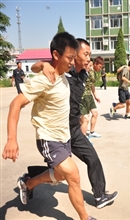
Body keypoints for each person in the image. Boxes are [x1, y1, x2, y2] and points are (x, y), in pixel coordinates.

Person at [2, 32, 96, 220]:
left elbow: (39, 65)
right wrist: (12, 140)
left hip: (64, 137)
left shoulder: (63, 72)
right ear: (56, 55)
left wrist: (42, 64)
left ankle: (28, 184)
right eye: (69, 57)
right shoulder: (44, 80)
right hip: (48, 138)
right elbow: (16, 104)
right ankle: (85, 218)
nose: (72, 62)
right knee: (74, 176)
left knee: (60, 176)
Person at [31, 38, 118, 209]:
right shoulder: (63, 70)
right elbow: (35, 68)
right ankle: (30, 180)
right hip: (56, 132)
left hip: (74, 129)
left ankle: (99, 195)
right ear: (74, 54)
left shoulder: (84, 73)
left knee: (92, 158)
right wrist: (43, 65)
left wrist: (79, 114)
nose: (88, 59)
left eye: (90, 55)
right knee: (57, 175)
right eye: (86, 54)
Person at [80, 57, 103, 138]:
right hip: (83, 95)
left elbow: (92, 84)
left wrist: (95, 96)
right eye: (99, 67)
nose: (100, 69)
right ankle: (83, 138)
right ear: (95, 64)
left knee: (95, 113)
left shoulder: (93, 71)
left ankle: (92, 132)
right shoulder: (88, 68)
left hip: (89, 95)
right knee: (85, 118)